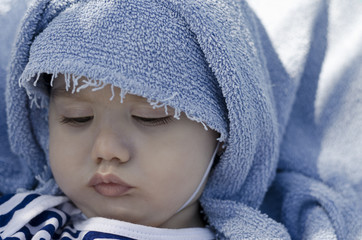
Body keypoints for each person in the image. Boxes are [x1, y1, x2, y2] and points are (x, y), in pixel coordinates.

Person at [0, 0, 301, 239]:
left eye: (150, 117)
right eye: (77, 118)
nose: (106, 149)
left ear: (224, 133)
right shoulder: (22, 220)